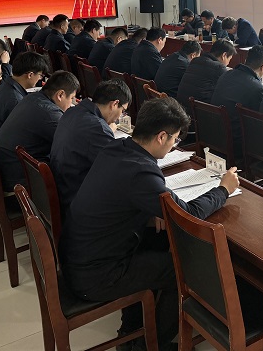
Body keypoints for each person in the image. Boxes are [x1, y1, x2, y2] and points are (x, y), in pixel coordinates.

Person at [59, 98, 239, 351]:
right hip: (97, 276)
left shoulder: (117, 148)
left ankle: (133, 330)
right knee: (185, 270)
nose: (174, 144)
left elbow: (119, 198)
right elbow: (187, 214)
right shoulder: (140, 172)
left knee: (161, 239)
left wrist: (151, 212)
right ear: (161, 136)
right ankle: (150, 345)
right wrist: (223, 190)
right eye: (175, 139)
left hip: (79, 258)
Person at [50, 79, 131, 213]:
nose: (119, 116)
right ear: (114, 104)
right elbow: (118, 171)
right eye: (123, 110)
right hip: (76, 203)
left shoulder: (72, 112)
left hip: (63, 189)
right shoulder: (97, 128)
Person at [0, 71, 79, 192]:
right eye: (71, 98)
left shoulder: (32, 98)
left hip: (8, 168)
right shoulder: (49, 113)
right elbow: (74, 144)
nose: (71, 104)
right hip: (19, 179)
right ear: (60, 95)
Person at [211, 45, 263, 162]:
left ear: (246, 61)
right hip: (236, 143)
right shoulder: (256, 88)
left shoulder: (226, 74)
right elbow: (260, 120)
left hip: (214, 135)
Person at [0, 51, 49, 149]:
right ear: (30, 75)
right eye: (40, 75)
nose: (40, 79)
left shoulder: (5, 86)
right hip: (1, 151)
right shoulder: (15, 100)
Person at [175, 39, 235, 112]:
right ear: (224, 55)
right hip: (198, 112)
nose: (228, 63)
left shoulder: (195, 60)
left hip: (181, 107)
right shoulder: (219, 68)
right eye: (230, 59)